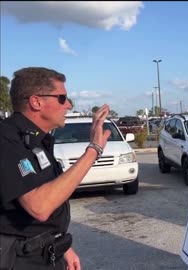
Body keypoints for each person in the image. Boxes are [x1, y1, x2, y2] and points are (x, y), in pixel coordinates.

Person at [0, 67, 111, 270]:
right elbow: (40, 207)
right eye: (62, 98)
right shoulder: (7, 139)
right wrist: (93, 150)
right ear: (36, 102)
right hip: (19, 260)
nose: (68, 105)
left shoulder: (34, 139)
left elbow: (45, 199)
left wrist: (61, 246)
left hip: (43, 251)